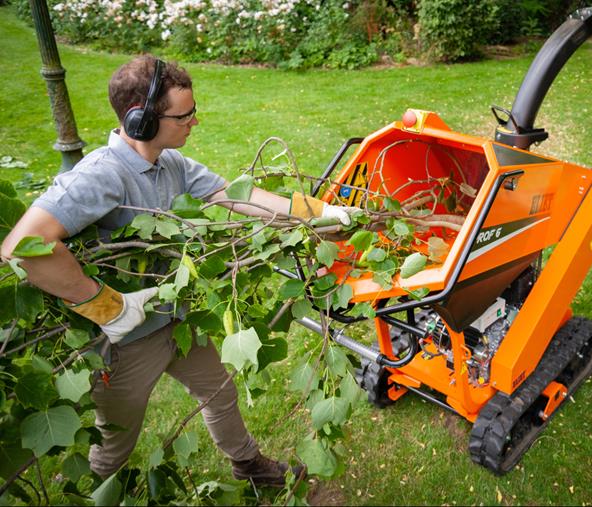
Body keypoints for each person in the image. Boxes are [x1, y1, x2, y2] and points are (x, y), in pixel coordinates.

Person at [0, 56, 355, 486]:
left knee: (220, 391)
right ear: (141, 122)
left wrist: (320, 213)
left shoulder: (172, 164)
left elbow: (235, 195)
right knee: (116, 442)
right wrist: (107, 307)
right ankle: (91, 491)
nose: (195, 121)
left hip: (177, 319)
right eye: (184, 115)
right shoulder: (100, 176)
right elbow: (21, 248)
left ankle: (248, 465)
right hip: (126, 342)